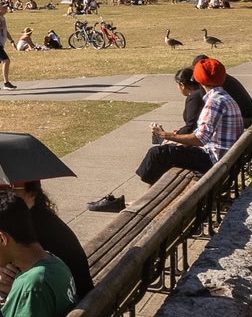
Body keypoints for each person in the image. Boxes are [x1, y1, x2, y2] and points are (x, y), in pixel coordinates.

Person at [97, 57, 241, 211]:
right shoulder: (225, 98)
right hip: (226, 158)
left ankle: (145, 203)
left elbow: (200, 138)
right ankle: (146, 200)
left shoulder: (214, 102)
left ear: (198, 78)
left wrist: (165, 135)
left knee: (158, 153)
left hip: (214, 160)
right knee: (167, 152)